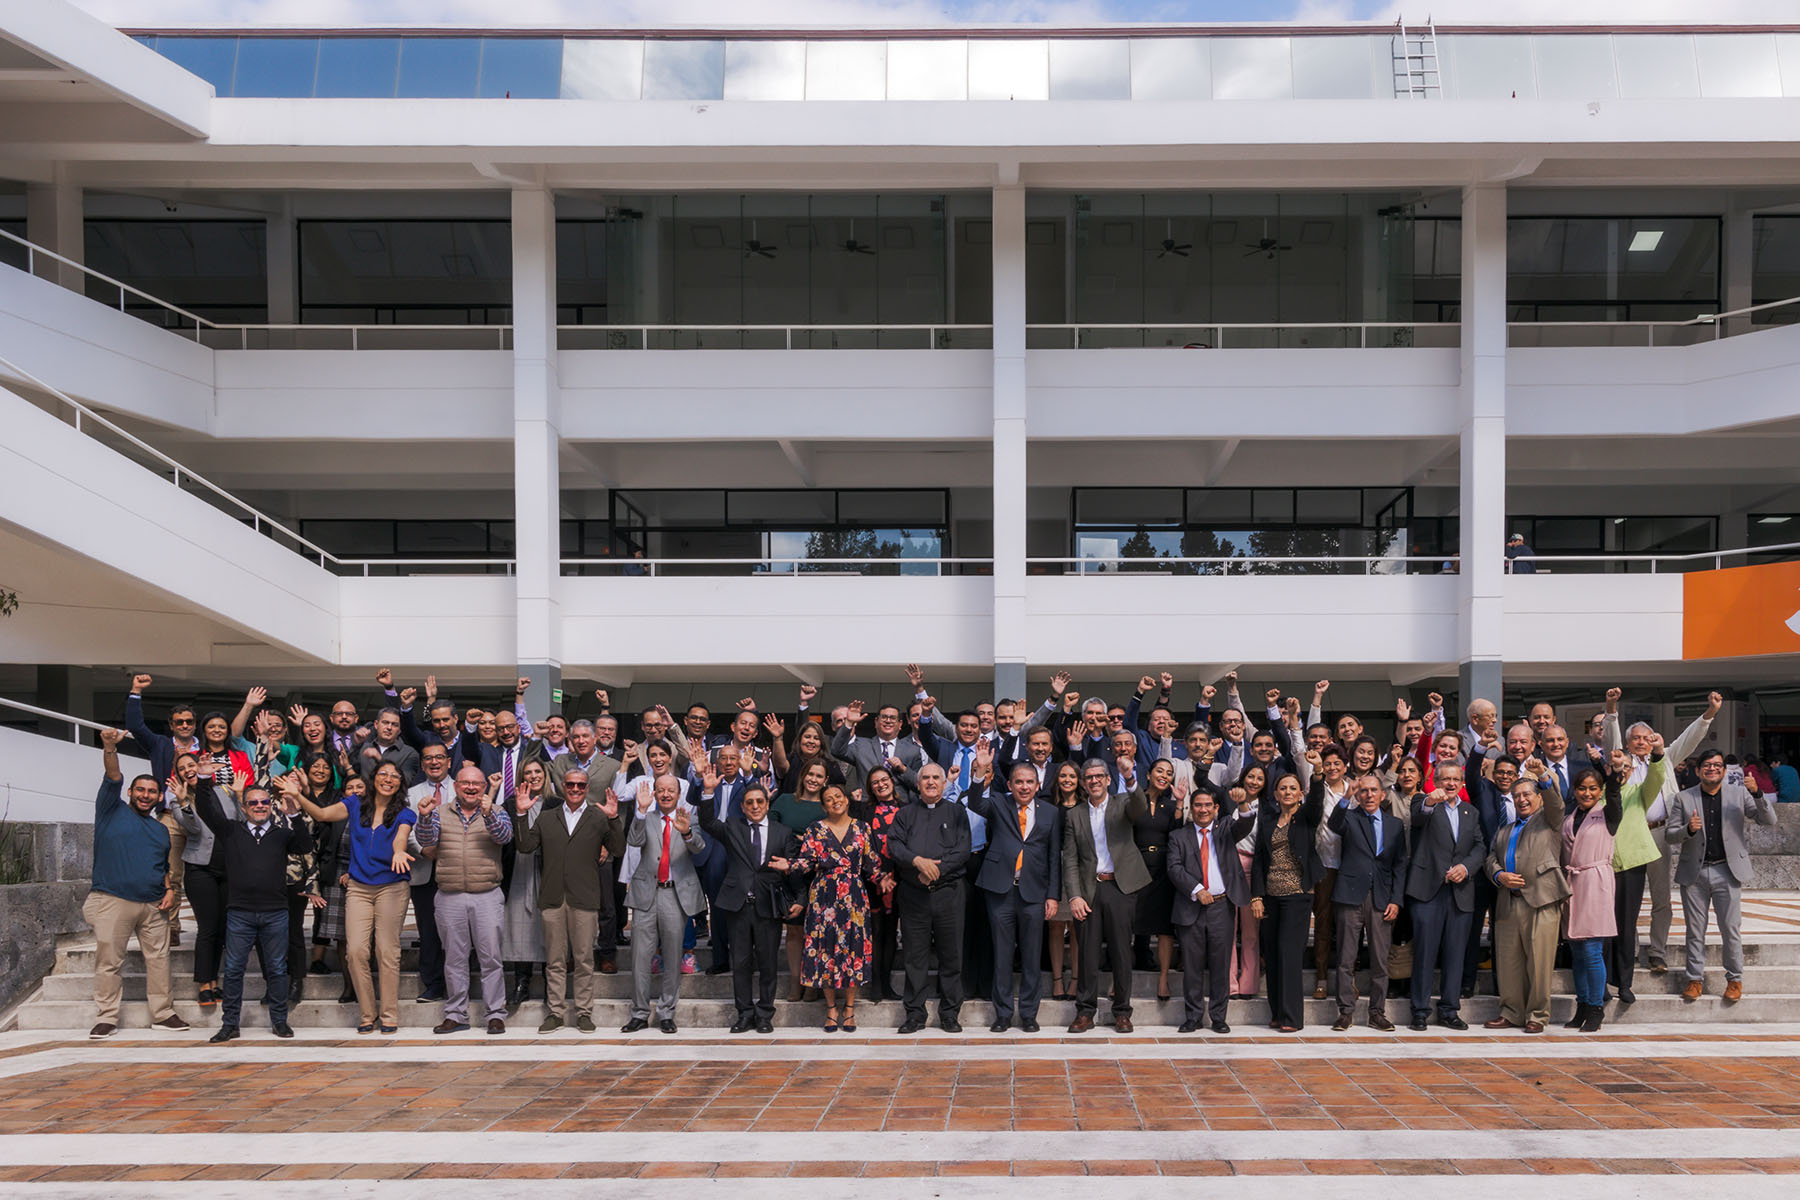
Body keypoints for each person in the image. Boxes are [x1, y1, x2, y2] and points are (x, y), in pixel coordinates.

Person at [291, 761, 415, 1034]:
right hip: (359, 887)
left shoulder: (404, 814)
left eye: (394, 776)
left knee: (386, 950)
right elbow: (322, 814)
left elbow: (400, 839)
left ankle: (389, 1015)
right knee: (356, 951)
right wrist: (297, 794)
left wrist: (398, 851)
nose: (388, 779)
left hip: (391, 887)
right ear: (373, 779)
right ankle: (367, 1014)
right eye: (383, 773)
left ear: (399, 784)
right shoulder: (354, 804)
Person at [85, 728, 184, 1039]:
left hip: (154, 904)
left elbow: (163, 866)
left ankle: (163, 1013)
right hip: (113, 899)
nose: (145, 795)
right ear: (130, 792)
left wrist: (169, 890)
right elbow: (113, 775)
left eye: (152, 792)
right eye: (140, 790)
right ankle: (107, 1017)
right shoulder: (110, 810)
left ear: (158, 797)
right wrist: (110, 748)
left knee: (159, 960)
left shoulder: (159, 830)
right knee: (109, 961)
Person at [197, 776, 312, 1043]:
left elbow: (305, 846)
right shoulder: (231, 831)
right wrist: (203, 780)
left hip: (275, 912)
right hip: (240, 912)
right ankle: (229, 1024)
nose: (259, 806)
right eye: (253, 803)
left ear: (270, 805)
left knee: (276, 969)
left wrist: (294, 815)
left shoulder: (282, 834)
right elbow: (205, 809)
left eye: (264, 802)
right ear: (245, 807)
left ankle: (280, 1021)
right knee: (234, 969)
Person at [770, 784, 893, 1032]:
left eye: (838, 796)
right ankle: (830, 1009)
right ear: (823, 806)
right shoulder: (816, 829)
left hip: (854, 897)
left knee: (852, 950)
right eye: (828, 799)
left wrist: (883, 878)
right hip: (823, 896)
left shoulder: (862, 828)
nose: (835, 801)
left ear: (847, 800)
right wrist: (789, 865)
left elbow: (871, 863)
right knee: (824, 949)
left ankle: (848, 1009)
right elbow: (807, 861)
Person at [514, 766, 623, 1034]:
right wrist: (520, 813)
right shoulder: (547, 817)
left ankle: (584, 1012)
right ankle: (556, 1012)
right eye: (571, 785)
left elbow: (618, 849)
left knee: (584, 959)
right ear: (563, 786)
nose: (575, 789)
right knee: (555, 960)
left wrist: (613, 818)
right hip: (552, 897)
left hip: (584, 897)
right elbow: (525, 846)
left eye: (581, 786)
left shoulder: (598, 817)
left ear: (587, 788)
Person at [1668, 749, 1778, 1002]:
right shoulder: (1683, 798)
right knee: (1695, 930)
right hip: (1694, 873)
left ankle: (1734, 979)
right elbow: (1670, 835)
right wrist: (1688, 829)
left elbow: (1768, 820)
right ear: (1698, 771)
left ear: (1724, 771)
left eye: (1717, 765)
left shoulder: (1739, 795)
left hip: (1727, 871)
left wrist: (1758, 793)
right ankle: (1694, 979)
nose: (1712, 769)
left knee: (1730, 929)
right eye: (1707, 765)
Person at [965, 753, 1063, 1033]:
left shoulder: (1050, 812)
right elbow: (974, 802)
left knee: (1032, 957)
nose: (1023, 787)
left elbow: (1053, 855)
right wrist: (980, 773)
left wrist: (1053, 895)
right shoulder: (998, 803)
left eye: (1029, 782)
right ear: (1009, 784)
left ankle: (1030, 1014)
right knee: (1002, 956)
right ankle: (1004, 1014)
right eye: (1018, 782)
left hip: (1034, 892)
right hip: (1000, 891)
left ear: (1037, 784)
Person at [699, 782, 798, 1034]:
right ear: (742, 807)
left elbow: (792, 867)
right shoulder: (733, 826)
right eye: (750, 802)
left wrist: (798, 895)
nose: (755, 806)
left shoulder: (783, 832)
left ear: (767, 804)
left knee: (768, 963)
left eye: (760, 801)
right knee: (740, 962)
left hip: (769, 905)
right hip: (738, 905)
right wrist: (708, 791)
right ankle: (744, 1013)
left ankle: (765, 1014)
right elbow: (708, 821)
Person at [1061, 758, 1149, 1034]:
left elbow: (1140, 806)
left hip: (1120, 888)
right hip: (1089, 890)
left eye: (1100, 776)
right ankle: (1085, 1012)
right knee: (1087, 954)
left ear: (1109, 780)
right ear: (1084, 783)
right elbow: (1071, 860)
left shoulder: (1123, 803)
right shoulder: (1074, 815)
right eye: (1089, 777)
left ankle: (1122, 1012)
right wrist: (1074, 896)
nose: (1094, 781)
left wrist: (1130, 776)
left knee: (1122, 952)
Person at [888, 762, 972, 1034]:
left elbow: (962, 850)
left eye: (937, 777)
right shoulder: (904, 814)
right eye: (926, 778)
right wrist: (917, 861)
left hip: (949, 894)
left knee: (952, 955)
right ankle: (914, 1013)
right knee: (915, 956)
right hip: (913, 896)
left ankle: (950, 1013)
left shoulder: (957, 812)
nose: (932, 782)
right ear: (918, 783)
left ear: (944, 783)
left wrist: (934, 871)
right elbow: (895, 845)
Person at [1405, 760, 1488, 1031]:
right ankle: (1419, 1009)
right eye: (1445, 779)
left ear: (1462, 783)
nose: (1450, 784)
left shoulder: (1470, 812)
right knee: (1425, 953)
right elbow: (1418, 817)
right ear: (1436, 781)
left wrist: (1466, 867)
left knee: (1455, 954)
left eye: (1455, 779)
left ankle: (1450, 1009)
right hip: (1428, 892)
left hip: (1460, 893)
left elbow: (1479, 846)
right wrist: (1430, 800)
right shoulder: (1423, 801)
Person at [1482, 770, 1567, 1034]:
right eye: (1516, 796)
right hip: (1509, 901)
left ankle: (1538, 1015)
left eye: (1527, 794)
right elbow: (1490, 858)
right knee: (1509, 962)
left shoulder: (1549, 820)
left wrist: (1543, 777)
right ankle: (1511, 1012)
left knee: (1539, 963)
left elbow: (1557, 803)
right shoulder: (1505, 830)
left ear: (1538, 798)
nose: (1521, 800)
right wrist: (1498, 874)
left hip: (1541, 900)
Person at [622, 774, 707, 1033]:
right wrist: (640, 810)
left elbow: (699, 847)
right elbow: (634, 841)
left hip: (675, 894)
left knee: (672, 956)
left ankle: (666, 1012)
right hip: (647, 893)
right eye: (661, 790)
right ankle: (638, 1013)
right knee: (640, 956)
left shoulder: (689, 819)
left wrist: (688, 833)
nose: (666, 794)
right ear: (655, 793)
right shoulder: (645, 817)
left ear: (679, 793)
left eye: (671, 790)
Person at [1168, 787, 1252, 1034]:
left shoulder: (1225, 828)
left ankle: (1218, 1017)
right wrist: (1196, 890)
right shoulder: (1178, 836)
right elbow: (1174, 868)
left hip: (1221, 906)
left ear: (1216, 809)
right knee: (1192, 967)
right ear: (1191, 808)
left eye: (1208, 805)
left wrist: (1244, 803)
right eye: (1198, 805)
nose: (1202, 809)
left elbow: (1245, 824)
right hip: (1190, 906)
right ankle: (1193, 1017)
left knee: (1220, 964)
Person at [1251, 761, 1326, 1032]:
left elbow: (1317, 802)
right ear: (1275, 793)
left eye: (1293, 788)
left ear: (1300, 793)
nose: (1288, 792)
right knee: (1272, 954)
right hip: (1271, 895)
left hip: (1297, 894)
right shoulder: (1268, 819)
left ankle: (1292, 1017)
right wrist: (1256, 896)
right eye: (1283, 788)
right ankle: (1277, 1012)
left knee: (1289, 953)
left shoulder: (1306, 816)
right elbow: (1259, 859)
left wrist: (1317, 774)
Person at [1327, 772, 1406, 1031]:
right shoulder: (1349, 818)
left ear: (1383, 795)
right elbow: (1333, 824)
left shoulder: (1395, 825)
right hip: (1350, 895)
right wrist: (1345, 799)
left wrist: (1396, 899)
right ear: (1358, 795)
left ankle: (1377, 1012)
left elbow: (1399, 865)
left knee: (1380, 960)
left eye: (1374, 790)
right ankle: (1345, 1012)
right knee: (1346, 958)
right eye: (1364, 791)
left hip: (1382, 898)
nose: (1369, 795)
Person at [1559, 765, 1619, 1032]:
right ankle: (1582, 1003)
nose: (1587, 793)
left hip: (1595, 882)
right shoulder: (1571, 816)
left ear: (1601, 791)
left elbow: (1615, 796)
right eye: (1582, 788)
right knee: (1577, 952)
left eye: (1593, 788)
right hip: (1572, 884)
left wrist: (1613, 775)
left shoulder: (1608, 814)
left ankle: (1596, 1007)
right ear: (1575, 790)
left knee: (1593, 951)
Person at [499, 759, 555, 1011]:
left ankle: (549, 985)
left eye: (537, 771)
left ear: (545, 774)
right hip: (519, 871)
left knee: (547, 927)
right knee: (520, 929)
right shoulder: (509, 805)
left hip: (549, 872)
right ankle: (521, 984)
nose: (533, 776)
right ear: (521, 777)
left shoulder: (557, 804)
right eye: (528, 773)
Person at [773, 759, 830, 1000]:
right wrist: (795, 838)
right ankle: (796, 982)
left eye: (819, 776)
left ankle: (814, 981)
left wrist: (805, 840)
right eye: (810, 774)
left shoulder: (827, 807)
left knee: (816, 931)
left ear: (825, 781)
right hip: (789, 873)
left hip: (818, 875)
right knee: (794, 932)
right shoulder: (785, 800)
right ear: (802, 776)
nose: (814, 779)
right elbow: (771, 829)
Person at [403, 744, 454, 1006]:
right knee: (428, 929)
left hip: (456, 871)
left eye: (439, 757)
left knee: (457, 930)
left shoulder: (463, 788)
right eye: (428, 758)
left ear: (448, 761)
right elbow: (405, 829)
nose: (434, 762)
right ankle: (433, 983)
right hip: (424, 870)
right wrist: (423, 848)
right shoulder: (411, 794)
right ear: (422, 765)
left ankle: (458, 984)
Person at [852, 766, 906, 1003]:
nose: (880, 785)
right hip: (871, 877)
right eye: (875, 782)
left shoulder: (906, 809)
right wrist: (876, 874)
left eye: (884, 780)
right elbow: (860, 845)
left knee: (891, 932)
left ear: (892, 781)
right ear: (869, 788)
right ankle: (875, 984)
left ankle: (887, 983)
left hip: (899, 878)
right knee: (874, 932)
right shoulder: (864, 810)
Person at [1132, 758, 1181, 1003]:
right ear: (1149, 773)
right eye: (1160, 771)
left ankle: (1163, 978)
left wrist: (1181, 803)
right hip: (1136, 866)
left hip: (1163, 869)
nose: (1164, 775)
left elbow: (1178, 834)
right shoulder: (1134, 799)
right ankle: (1123, 980)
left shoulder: (1172, 805)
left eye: (1169, 773)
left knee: (1164, 927)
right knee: (1130, 923)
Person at [1043, 761, 1083, 1001]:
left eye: (1072, 776)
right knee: (1056, 926)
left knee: (1077, 928)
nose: (1067, 780)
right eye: (1063, 776)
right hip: (1053, 870)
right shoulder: (1048, 807)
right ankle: (1058, 979)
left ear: (1079, 780)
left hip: (1079, 871)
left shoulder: (1085, 807)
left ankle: (1076, 979)